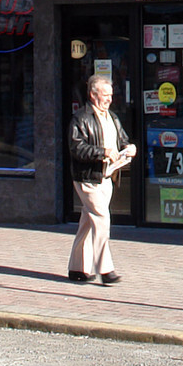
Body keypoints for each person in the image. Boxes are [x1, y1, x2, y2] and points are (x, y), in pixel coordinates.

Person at [66, 73, 134, 285]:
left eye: (111, 95)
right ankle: (106, 269)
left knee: (89, 220)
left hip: (106, 176)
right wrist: (103, 152)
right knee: (101, 218)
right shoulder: (81, 118)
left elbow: (122, 139)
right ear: (93, 95)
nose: (109, 99)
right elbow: (77, 148)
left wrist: (128, 148)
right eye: (105, 95)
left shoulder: (112, 117)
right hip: (87, 178)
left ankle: (77, 267)